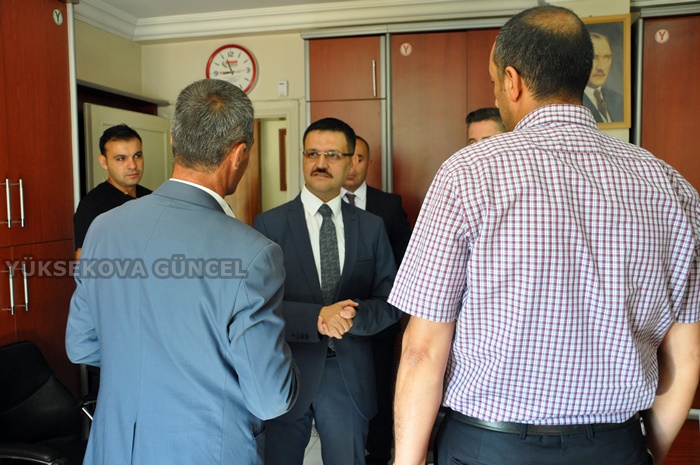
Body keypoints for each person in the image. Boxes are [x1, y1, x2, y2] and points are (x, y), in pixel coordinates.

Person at [390, 5, 700, 465]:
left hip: (489, 449)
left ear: (512, 81)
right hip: (615, 446)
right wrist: (642, 453)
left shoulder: (468, 174)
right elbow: (686, 355)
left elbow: (422, 351)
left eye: (494, 82)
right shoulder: (671, 186)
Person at [65, 79, 299, 465]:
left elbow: (82, 345)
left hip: (116, 446)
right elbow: (269, 398)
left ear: (174, 140)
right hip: (206, 451)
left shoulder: (103, 228)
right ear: (239, 154)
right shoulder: (254, 253)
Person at [254, 117, 401, 465]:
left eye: (333, 155)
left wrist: (353, 316)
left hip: (347, 375)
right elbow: (257, 305)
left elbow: (391, 303)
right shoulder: (269, 224)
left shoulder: (371, 227)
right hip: (287, 369)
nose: (321, 163)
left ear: (351, 162)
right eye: (312, 154)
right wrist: (317, 317)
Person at [340, 135, 411, 465]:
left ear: (368, 163)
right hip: (336, 323)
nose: (353, 165)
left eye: (360, 158)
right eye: (348, 157)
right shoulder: (323, 208)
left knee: (381, 394)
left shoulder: (389, 205)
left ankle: (379, 455)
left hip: (379, 319)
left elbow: (405, 261)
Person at [73, 124, 152, 260]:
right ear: (104, 162)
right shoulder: (92, 206)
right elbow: (83, 263)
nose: (133, 165)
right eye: (121, 158)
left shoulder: (151, 198)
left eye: (137, 156)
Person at [582, 31, 624, 123]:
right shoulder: (572, 101)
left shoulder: (619, 100)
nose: (601, 67)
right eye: (594, 57)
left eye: (607, 57)